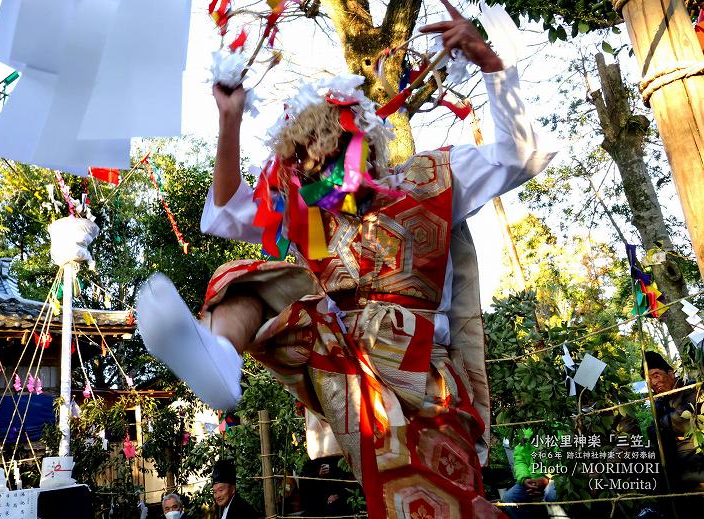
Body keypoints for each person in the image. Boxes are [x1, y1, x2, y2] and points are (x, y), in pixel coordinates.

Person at [137, 1, 556, 516]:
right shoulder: (310, 219)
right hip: (348, 367)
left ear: (360, 143)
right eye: (304, 164)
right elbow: (226, 212)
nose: (317, 174)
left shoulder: (430, 181)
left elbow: (521, 156)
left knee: (450, 506)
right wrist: (229, 121)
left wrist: (494, 68)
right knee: (251, 281)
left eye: (328, 156)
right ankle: (220, 357)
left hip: (425, 379)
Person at [644, 351, 704, 489]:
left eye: (656, 375)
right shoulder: (659, 402)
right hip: (674, 456)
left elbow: (685, 419)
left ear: (670, 373)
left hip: (695, 452)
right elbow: (654, 432)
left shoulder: (692, 389)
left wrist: (662, 424)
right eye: (649, 379)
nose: (653, 382)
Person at [501, 429, 556, 519]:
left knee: (552, 496)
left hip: (554, 478)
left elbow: (563, 460)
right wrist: (525, 479)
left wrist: (547, 479)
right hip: (531, 479)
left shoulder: (557, 427)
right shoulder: (523, 431)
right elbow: (519, 460)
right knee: (508, 499)